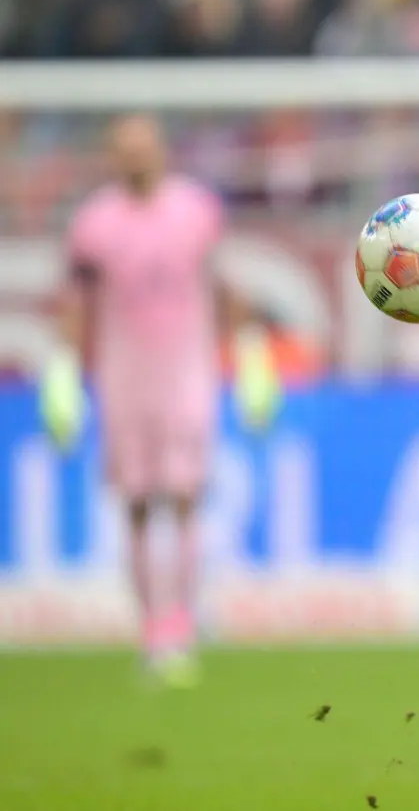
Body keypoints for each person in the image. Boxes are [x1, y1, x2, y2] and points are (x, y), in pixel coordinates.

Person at [43, 113, 282, 686]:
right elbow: (77, 302)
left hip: (186, 370)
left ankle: (179, 623)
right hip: (123, 375)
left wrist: (249, 352)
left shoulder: (196, 210)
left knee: (183, 495)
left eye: (143, 149)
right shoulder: (94, 222)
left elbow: (221, 283)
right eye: (124, 150)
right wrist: (63, 373)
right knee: (135, 503)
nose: (135, 159)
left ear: (161, 152)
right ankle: (151, 624)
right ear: (111, 156)